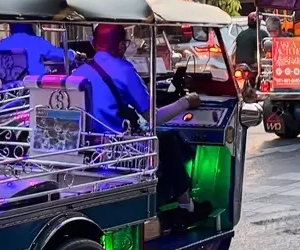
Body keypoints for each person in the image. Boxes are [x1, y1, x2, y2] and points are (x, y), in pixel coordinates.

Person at [74, 24, 203, 213]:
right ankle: (186, 204)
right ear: (120, 46)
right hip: (117, 151)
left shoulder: (79, 72)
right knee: (169, 140)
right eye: (125, 43)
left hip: (86, 149)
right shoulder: (125, 70)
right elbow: (153, 118)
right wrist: (185, 103)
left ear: (93, 44)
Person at [0, 23, 71, 76]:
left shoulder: (3, 43)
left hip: (10, 90)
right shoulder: (37, 41)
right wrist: (73, 54)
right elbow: (59, 55)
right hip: (33, 86)